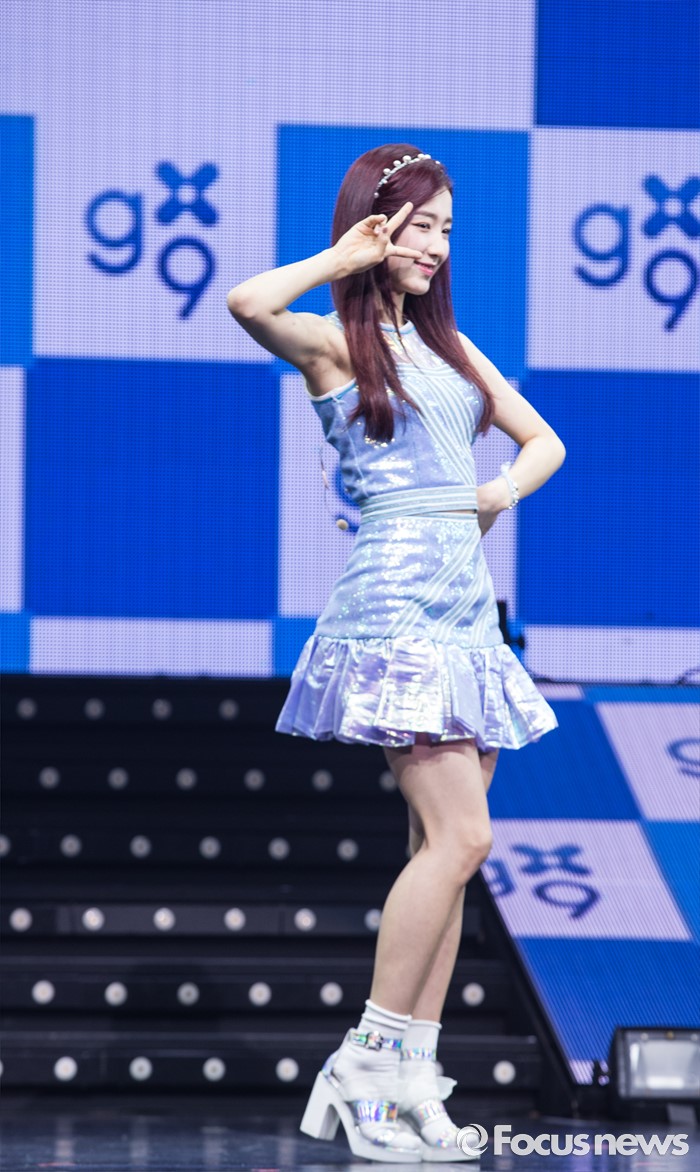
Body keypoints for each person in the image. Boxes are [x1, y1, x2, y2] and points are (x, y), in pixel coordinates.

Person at [227, 144, 565, 1164]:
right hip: (395, 607)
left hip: (464, 608)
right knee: (463, 839)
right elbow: (248, 302)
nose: (435, 246)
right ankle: (366, 1061)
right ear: (374, 227)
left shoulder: (453, 350)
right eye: (419, 226)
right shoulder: (337, 344)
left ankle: (412, 1073)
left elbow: (544, 441)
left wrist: (497, 493)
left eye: (446, 230)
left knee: (445, 854)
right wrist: (342, 259)